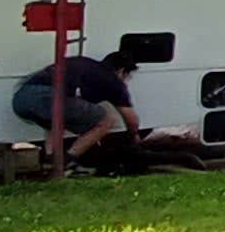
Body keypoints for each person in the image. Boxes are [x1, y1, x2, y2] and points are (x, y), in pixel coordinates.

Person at [12, 47, 146, 162]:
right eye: (128, 76)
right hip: (48, 96)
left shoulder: (85, 63)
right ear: (121, 71)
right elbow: (131, 119)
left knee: (54, 121)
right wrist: (133, 135)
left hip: (21, 99)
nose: (126, 80)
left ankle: (50, 158)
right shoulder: (113, 81)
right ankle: (68, 159)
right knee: (107, 120)